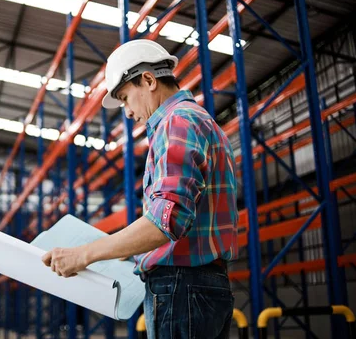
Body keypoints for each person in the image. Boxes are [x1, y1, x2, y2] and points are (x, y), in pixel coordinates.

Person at [41, 39, 239, 339]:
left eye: (124, 98)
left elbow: (166, 220)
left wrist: (84, 254)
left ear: (147, 80)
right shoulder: (197, 121)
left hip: (181, 288)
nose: (127, 112)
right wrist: (126, 250)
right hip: (200, 287)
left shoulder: (177, 122)